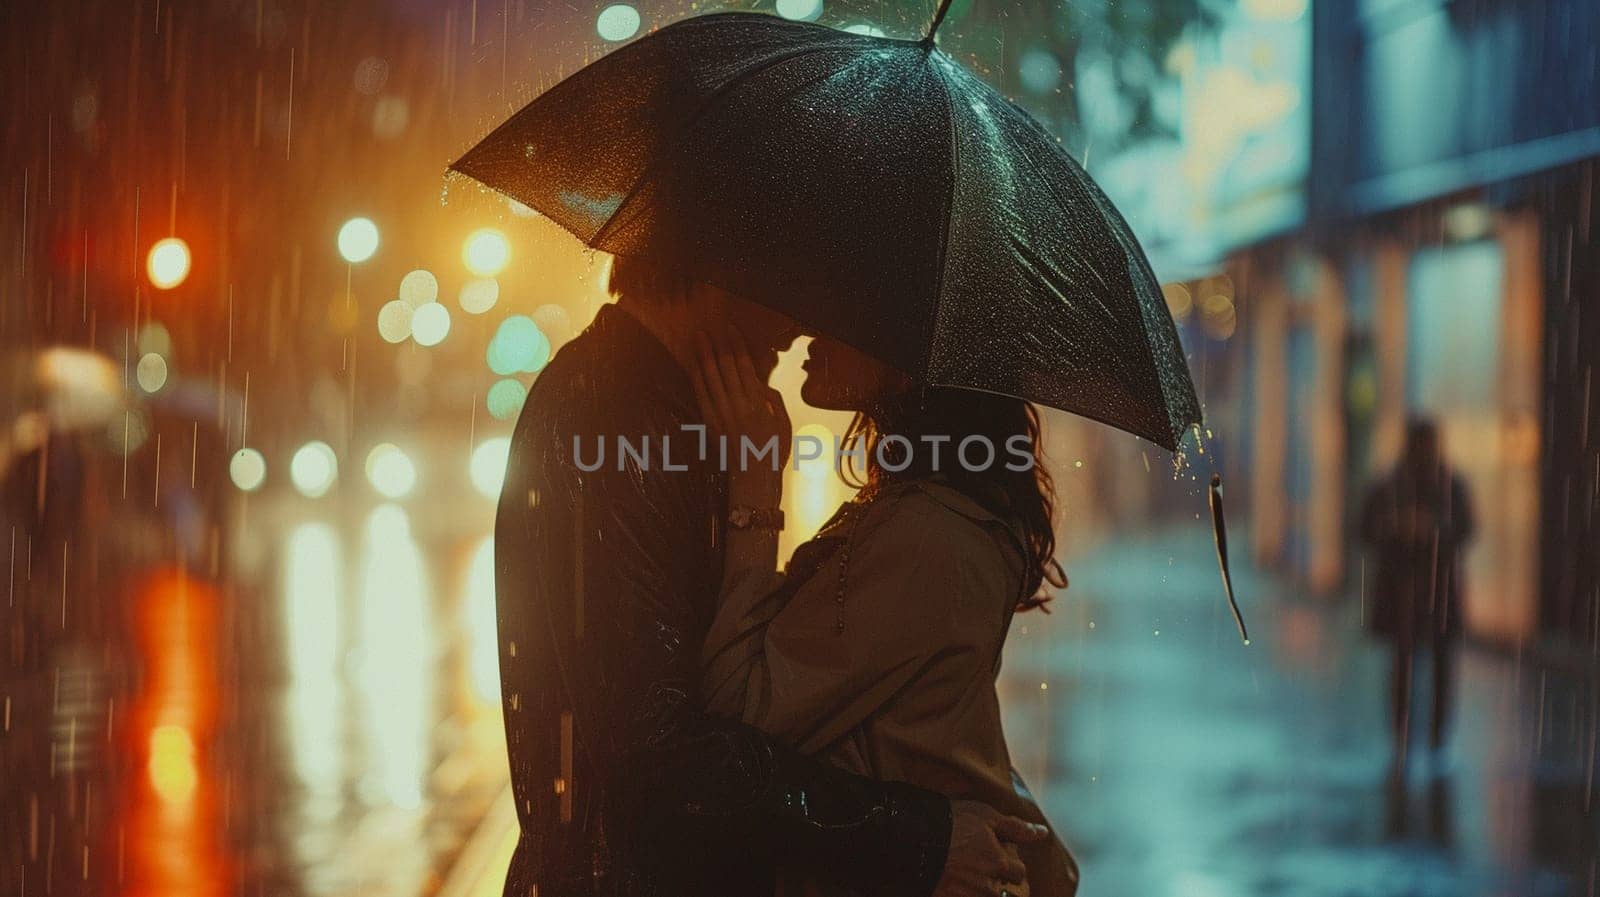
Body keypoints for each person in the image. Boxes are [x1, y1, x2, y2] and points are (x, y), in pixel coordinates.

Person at [493, 256, 1047, 897]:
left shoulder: (668, 413)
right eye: (795, 276)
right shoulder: (613, 417)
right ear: (721, 263)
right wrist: (921, 840)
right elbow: (665, 760)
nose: (806, 318)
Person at [689, 332, 1080, 897]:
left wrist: (756, 488)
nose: (808, 330)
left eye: (846, 312)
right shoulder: (929, 513)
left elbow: (739, 709)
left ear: (909, 365)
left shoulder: (923, 537)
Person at [1360, 418, 1475, 771]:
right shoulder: (1397, 486)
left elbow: (1466, 529)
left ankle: (1423, 738)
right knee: (1408, 665)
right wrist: (1402, 530)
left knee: (1425, 666)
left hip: (1427, 591)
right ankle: (1410, 737)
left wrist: (1429, 531)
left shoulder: (1440, 486)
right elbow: (1365, 530)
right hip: (1409, 591)